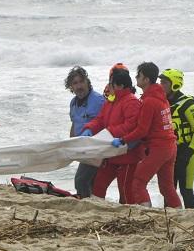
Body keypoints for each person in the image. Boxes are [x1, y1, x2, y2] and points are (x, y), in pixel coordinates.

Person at [112, 62, 182, 208]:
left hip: (159, 148)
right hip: (170, 147)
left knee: (138, 182)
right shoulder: (160, 97)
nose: (136, 78)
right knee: (166, 187)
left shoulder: (149, 101)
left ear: (146, 79)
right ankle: (180, 214)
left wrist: (123, 139)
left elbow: (142, 131)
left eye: (139, 75)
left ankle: (147, 214)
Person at [80, 68, 141, 204]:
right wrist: (89, 128)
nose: (108, 86)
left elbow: (131, 126)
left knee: (125, 190)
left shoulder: (132, 102)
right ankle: (99, 210)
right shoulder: (111, 101)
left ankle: (128, 216)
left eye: (111, 84)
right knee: (98, 186)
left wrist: (110, 132)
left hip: (127, 155)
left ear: (119, 86)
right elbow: (100, 120)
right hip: (111, 154)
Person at [159, 69, 194, 209]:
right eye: (160, 82)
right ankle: (169, 217)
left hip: (187, 153)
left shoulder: (188, 104)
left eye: (164, 83)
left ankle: (191, 218)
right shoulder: (163, 103)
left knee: (186, 190)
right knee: (169, 189)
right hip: (170, 152)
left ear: (175, 85)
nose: (161, 85)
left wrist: (189, 151)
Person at [64, 66, 105, 198]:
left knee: (81, 180)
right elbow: (74, 123)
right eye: (75, 83)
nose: (79, 86)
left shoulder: (99, 100)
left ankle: (85, 205)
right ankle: (90, 203)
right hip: (83, 149)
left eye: (81, 82)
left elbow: (108, 122)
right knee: (90, 182)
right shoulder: (73, 103)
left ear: (87, 82)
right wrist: (71, 144)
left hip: (97, 148)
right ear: (71, 87)